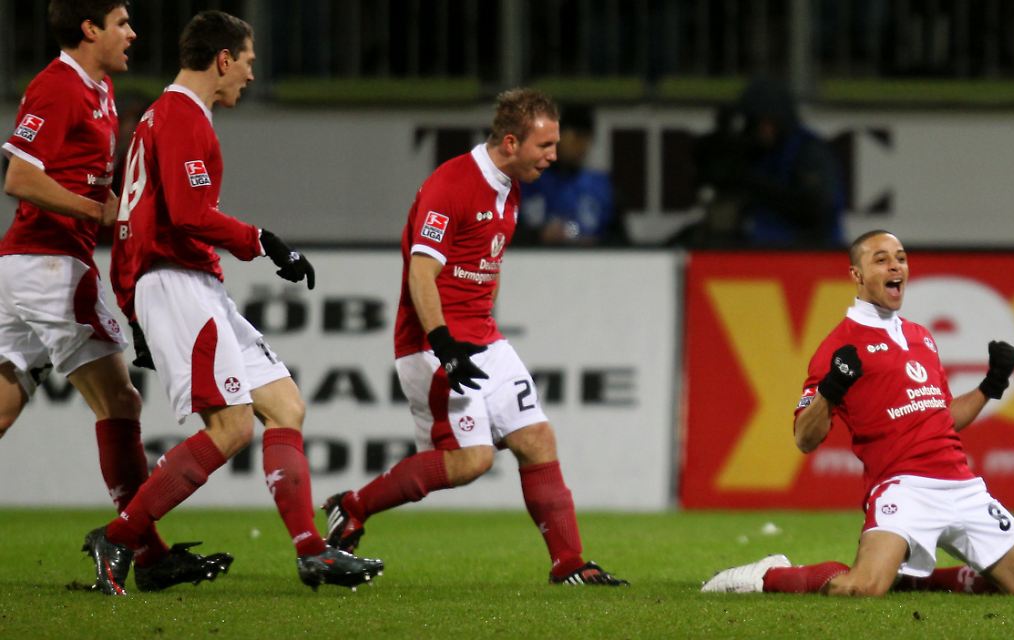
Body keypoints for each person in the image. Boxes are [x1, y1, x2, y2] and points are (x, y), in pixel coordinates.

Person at [83, 9, 383, 595]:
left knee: (286, 405)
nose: (250, 74)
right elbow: (191, 216)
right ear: (223, 59)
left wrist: (130, 302)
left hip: (184, 282)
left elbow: (131, 222)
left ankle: (312, 552)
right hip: (177, 283)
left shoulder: (159, 118)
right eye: (247, 61)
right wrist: (265, 242)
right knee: (231, 427)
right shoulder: (181, 116)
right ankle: (119, 537)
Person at [321, 88, 627, 587]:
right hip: (433, 344)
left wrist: (484, 328)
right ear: (510, 141)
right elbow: (422, 274)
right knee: (471, 461)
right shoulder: (453, 185)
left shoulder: (511, 183)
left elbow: (488, 265)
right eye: (544, 146)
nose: (553, 157)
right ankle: (352, 507)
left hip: (482, 338)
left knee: (536, 438)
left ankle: (569, 563)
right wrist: (444, 343)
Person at [0, 0, 232, 593]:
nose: (132, 33)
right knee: (121, 404)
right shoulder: (59, 87)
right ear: (89, 29)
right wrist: (102, 210)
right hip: (49, 266)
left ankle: (146, 553)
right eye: (121, 22)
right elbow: (18, 179)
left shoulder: (98, 90)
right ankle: (144, 553)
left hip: (27, 267)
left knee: (3, 407)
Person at [702, 230, 1014, 597]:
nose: (895, 266)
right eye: (881, 259)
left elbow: (942, 419)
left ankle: (919, 579)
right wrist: (831, 388)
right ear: (856, 275)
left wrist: (990, 386)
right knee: (862, 588)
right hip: (903, 488)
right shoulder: (838, 345)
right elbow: (805, 438)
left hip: (962, 487)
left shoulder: (921, 336)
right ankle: (768, 575)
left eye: (900, 258)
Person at [689, 76, 845, 248]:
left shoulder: (808, 151)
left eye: (767, 121)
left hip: (811, 254)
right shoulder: (755, 151)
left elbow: (816, 210)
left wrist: (753, 183)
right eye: (756, 122)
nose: (762, 129)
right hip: (761, 249)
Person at [515, 104, 623, 246]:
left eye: (586, 138)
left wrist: (596, 243)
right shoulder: (528, 183)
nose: (580, 145)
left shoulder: (602, 188)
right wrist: (538, 236)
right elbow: (501, 235)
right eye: (575, 137)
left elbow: (621, 240)